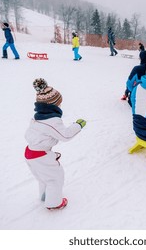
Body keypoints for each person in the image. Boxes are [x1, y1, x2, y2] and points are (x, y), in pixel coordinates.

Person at [24, 78, 86, 210]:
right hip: (40, 155)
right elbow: (65, 135)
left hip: (30, 152)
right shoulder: (52, 120)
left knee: (43, 177)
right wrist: (78, 125)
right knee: (55, 178)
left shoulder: (37, 117)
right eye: (58, 104)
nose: (60, 106)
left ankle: (44, 196)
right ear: (52, 105)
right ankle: (54, 203)